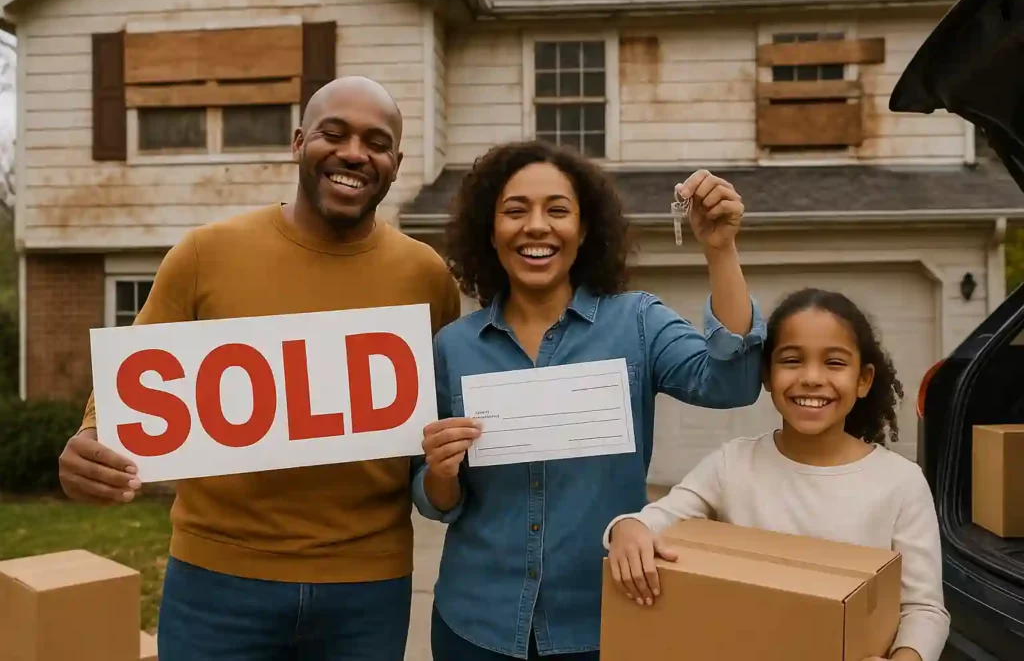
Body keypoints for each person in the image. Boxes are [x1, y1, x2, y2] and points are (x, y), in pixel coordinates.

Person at [55, 76, 463, 661]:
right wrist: (90, 441)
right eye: (334, 132)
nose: (354, 152)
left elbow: (433, 425)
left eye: (376, 142)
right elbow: (133, 384)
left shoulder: (427, 277)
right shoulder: (205, 254)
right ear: (299, 142)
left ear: (395, 164)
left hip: (367, 587)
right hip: (216, 579)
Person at [413, 139, 767, 660]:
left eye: (558, 210)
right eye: (515, 211)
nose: (536, 226)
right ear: (490, 232)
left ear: (584, 230)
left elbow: (731, 383)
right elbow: (435, 500)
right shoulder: (452, 347)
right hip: (474, 625)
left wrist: (719, 249)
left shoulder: (638, 323)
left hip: (602, 623)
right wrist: (441, 474)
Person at [604, 288, 951, 661]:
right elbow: (656, 520)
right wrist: (626, 528)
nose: (812, 378)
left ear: (863, 379)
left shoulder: (901, 482)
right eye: (792, 360)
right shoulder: (733, 464)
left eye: (834, 363)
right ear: (766, 374)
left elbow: (925, 609)